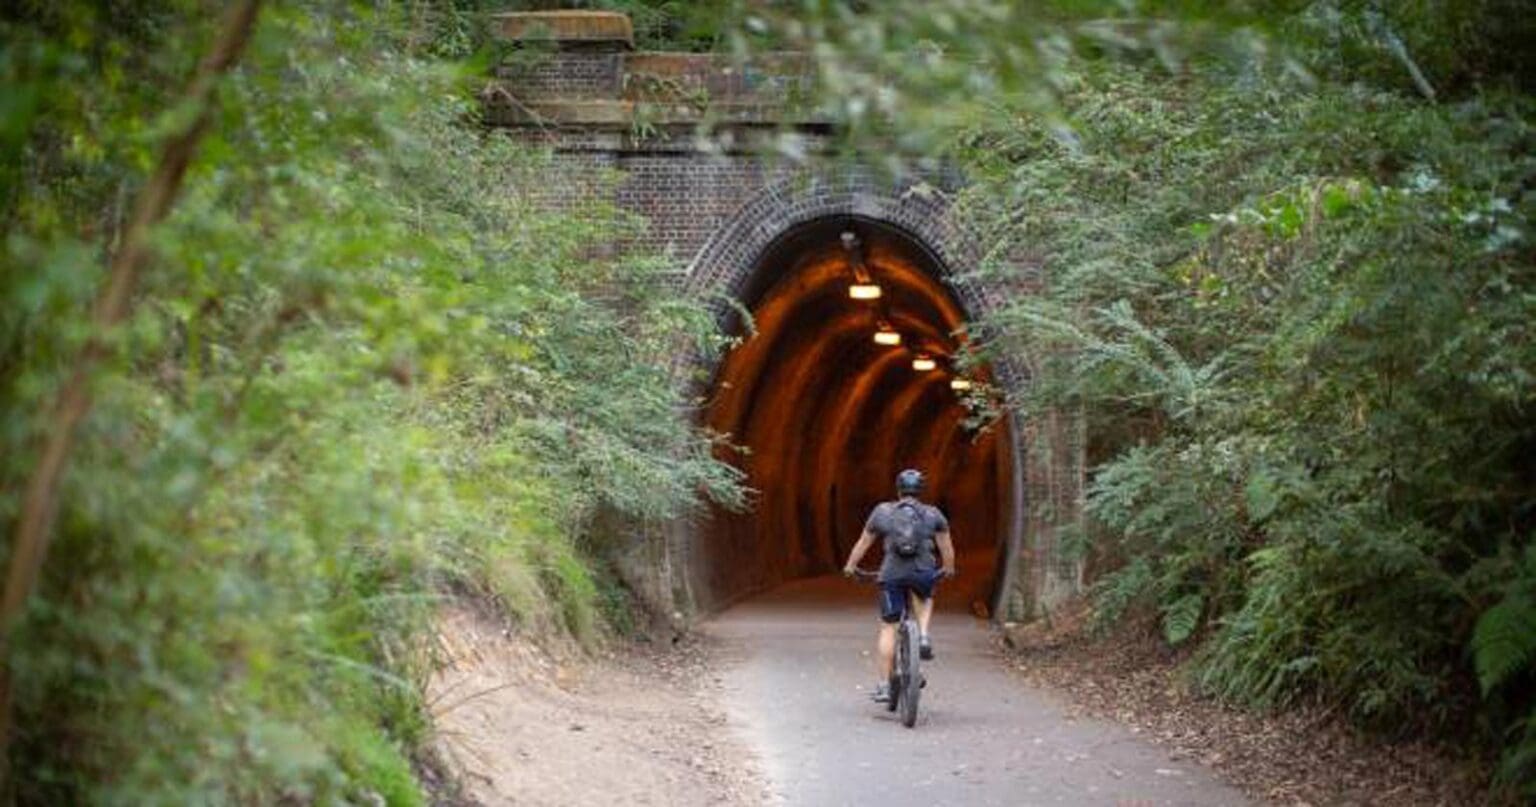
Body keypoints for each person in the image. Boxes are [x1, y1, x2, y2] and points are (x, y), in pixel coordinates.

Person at [841, 468, 956, 703]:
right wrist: (949, 568)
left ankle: (884, 685)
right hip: (922, 571)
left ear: (898, 489)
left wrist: (850, 566)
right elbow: (946, 548)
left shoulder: (882, 512)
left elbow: (863, 542)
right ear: (920, 491)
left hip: (892, 573)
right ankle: (923, 636)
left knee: (888, 628)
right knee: (924, 594)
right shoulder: (933, 514)